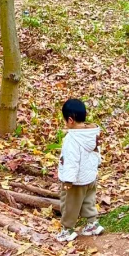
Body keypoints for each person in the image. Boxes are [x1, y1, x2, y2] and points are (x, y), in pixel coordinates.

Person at [56, 97, 102, 241]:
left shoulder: (72, 139)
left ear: (70, 120)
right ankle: (92, 224)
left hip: (75, 181)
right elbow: (97, 154)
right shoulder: (92, 134)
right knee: (88, 200)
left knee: (69, 204)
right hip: (90, 176)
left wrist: (68, 180)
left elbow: (71, 160)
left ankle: (67, 230)